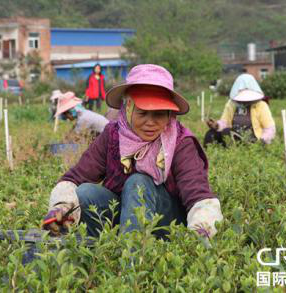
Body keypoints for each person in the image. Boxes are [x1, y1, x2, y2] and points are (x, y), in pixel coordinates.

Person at [44, 64, 223, 240]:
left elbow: (197, 194)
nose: (150, 122)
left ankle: (132, 261)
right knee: (85, 193)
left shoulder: (180, 142)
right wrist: (61, 208)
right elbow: (77, 176)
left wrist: (201, 231)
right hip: (123, 215)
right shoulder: (113, 135)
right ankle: (93, 253)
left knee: (138, 182)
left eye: (159, 114)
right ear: (128, 108)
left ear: (170, 113)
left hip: (166, 221)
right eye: (143, 113)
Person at [204, 73, 276, 147]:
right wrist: (217, 125)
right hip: (234, 136)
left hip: (252, 142)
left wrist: (262, 141)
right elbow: (225, 122)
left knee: (227, 132)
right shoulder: (231, 104)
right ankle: (207, 156)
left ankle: (233, 155)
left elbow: (269, 129)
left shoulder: (261, 105)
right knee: (211, 134)